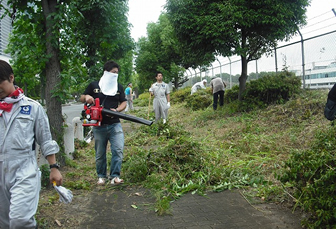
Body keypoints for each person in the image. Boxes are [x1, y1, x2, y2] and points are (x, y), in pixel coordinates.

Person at [0, 60, 63, 228]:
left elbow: (45, 139)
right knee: (4, 223)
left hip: (23, 169)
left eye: (0, 82)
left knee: (20, 220)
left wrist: (54, 167)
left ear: (11, 78)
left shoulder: (32, 107)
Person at [80, 60, 127, 185]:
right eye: (113, 72)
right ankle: (101, 176)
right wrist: (87, 97)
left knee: (118, 149)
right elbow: (81, 97)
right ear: (106, 72)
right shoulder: (94, 86)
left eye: (117, 73)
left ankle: (115, 176)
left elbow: (124, 102)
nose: (116, 75)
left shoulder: (119, 87)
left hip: (114, 124)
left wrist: (117, 110)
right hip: (99, 125)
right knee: (100, 153)